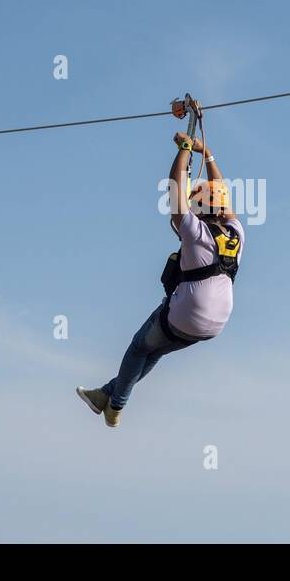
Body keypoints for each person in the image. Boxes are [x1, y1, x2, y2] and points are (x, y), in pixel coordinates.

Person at [76, 129, 244, 427]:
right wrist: (208, 155)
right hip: (215, 324)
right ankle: (105, 396)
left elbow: (176, 188)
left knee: (139, 346)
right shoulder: (236, 233)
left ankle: (115, 405)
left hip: (187, 314)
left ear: (200, 208)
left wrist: (184, 148)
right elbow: (221, 192)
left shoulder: (195, 233)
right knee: (154, 349)